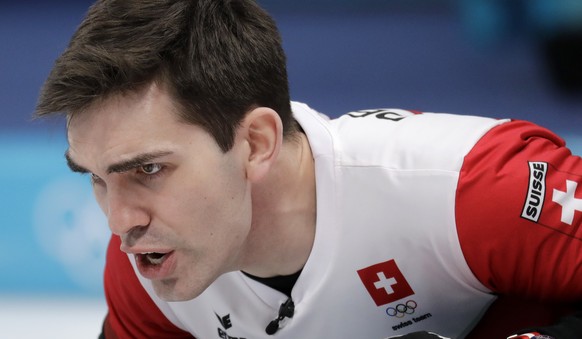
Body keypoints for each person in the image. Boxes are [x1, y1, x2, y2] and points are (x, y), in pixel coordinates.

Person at [35, 0, 581, 338]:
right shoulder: (147, 268)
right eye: (96, 178)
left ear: (255, 142)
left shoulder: (470, 187)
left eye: (148, 169)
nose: (118, 222)